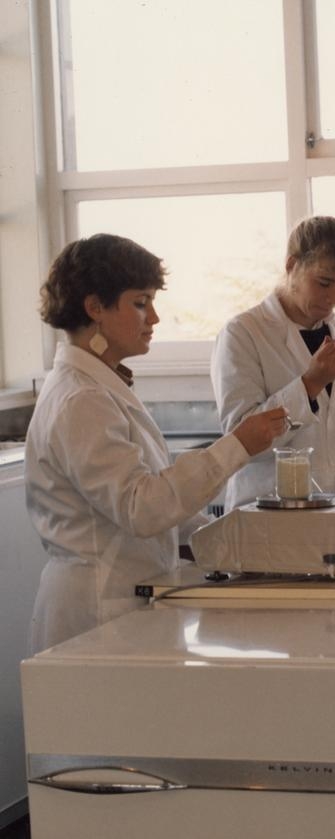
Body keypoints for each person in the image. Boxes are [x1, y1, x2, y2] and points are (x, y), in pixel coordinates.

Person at [25, 234, 289, 653]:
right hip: (97, 613)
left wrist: (245, 549)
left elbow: (161, 507)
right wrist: (236, 446)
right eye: (141, 302)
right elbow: (142, 508)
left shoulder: (101, 386)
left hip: (125, 601)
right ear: (95, 308)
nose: (155, 318)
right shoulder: (82, 399)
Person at [212, 216, 335, 508]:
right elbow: (241, 440)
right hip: (271, 513)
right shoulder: (244, 333)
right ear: (291, 266)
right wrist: (310, 384)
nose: (334, 297)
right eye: (324, 283)